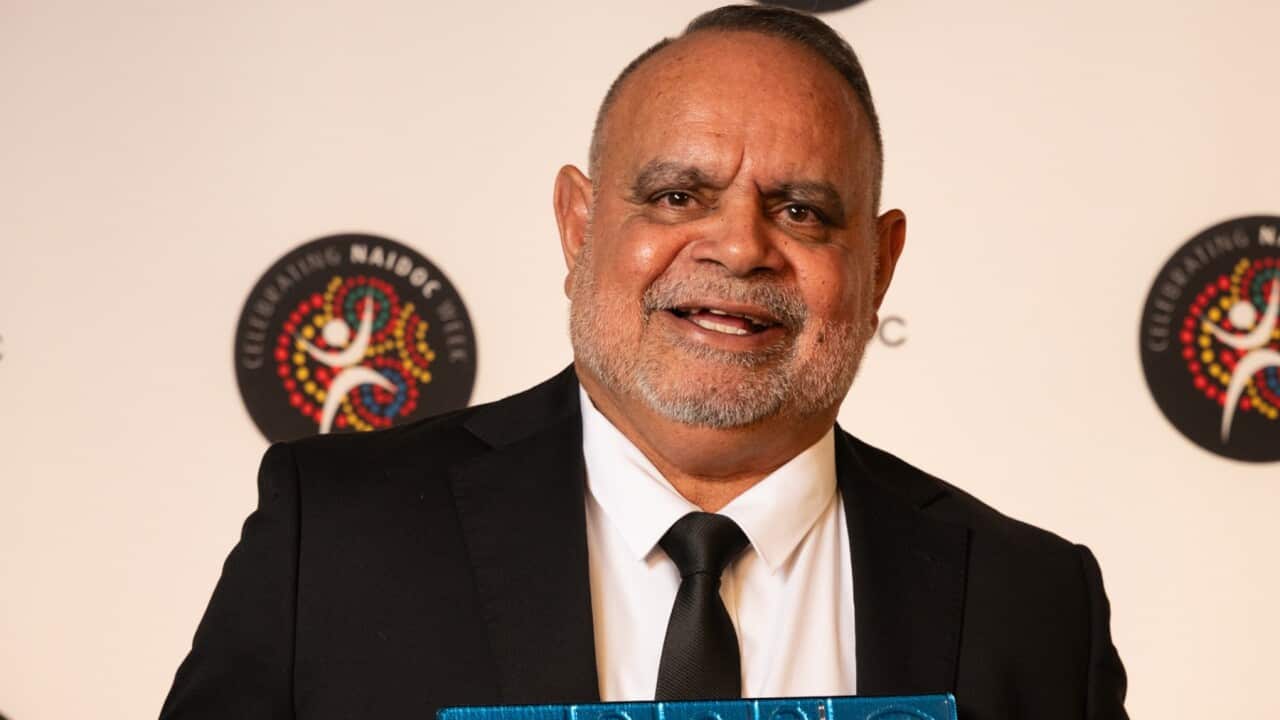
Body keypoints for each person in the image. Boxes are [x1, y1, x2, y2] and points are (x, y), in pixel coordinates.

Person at [160, 5, 1128, 720]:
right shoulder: (332, 539)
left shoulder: (1032, 601)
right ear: (579, 225)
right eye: (675, 196)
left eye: (800, 210)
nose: (738, 246)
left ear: (879, 264)